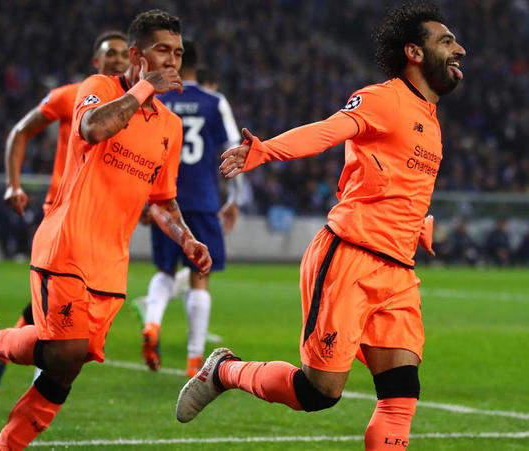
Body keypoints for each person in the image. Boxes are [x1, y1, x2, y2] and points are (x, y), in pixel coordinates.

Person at [176, 2, 463, 449]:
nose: (459, 48)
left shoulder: (431, 120)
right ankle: (225, 371)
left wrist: (416, 223)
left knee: (402, 393)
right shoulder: (384, 98)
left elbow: (392, 182)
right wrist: (265, 150)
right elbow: (330, 130)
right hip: (351, 257)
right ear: (415, 52)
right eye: (446, 41)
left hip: (397, 271)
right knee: (318, 393)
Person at [0, 10, 211, 450]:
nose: (172, 61)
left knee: (67, 364)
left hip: (112, 263)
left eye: (178, 53)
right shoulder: (98, 89)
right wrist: (145, 88)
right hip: (67, 244)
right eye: (162, 50)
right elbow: (91, 128)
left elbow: (161, 200)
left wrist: (186, 238)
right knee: (64, 350)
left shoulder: (170, 125)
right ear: (136, 55)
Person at [0, 30, 131, 402]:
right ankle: (17, 365)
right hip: (62, 217)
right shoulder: (73, 95)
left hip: (105, 228)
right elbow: (20, 131)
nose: (116, 60)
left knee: (55, 313)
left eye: (123, 54)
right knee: (55, 314)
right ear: (96, 62)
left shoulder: (134, 109)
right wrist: (13, 184)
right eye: (109, 54)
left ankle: (2, 349)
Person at [140, 40, 244, 377]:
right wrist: (234, 199)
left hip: (163, 198)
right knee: (200, 276)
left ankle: (153, 323)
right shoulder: (214, 101)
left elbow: (141, 148)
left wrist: (142, 196)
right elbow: (234, 148)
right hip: (202, 200)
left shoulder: (158, 98)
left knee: (165, 271)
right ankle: (193, 360)